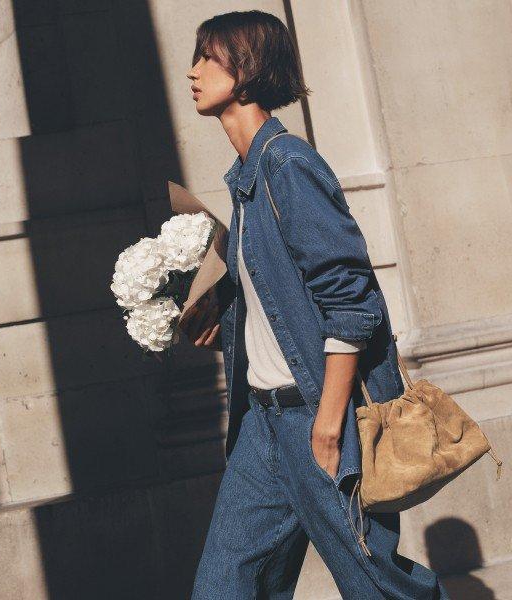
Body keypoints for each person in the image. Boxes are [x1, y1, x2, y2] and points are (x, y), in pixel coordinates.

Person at [181, 10, 450, 600]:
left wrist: (329, 423)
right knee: (224, 589)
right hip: (262, 424)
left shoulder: (288, 165)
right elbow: (279, 294)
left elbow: (354, 304)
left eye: (208, 56)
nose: (192, 71)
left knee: (374, 583)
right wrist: (218, 308)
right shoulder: (246, 178)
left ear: (246, 70)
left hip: (314, 417)